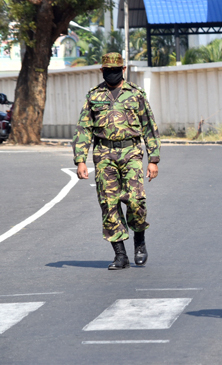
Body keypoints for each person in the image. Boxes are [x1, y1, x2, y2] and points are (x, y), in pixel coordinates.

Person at [72, 52, 161, 270]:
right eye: (108, 71)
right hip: (103, 155)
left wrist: (153, 159)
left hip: (131, 152)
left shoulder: (136, 94)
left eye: (116, 70)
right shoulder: (94, 96)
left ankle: (139, 241)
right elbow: (84, 129)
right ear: (102, 71)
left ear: (123, 70)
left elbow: (149, 127)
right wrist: (80, 160)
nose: (112, 74)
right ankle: (120, 255)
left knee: (135, 201)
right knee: (108, 204)